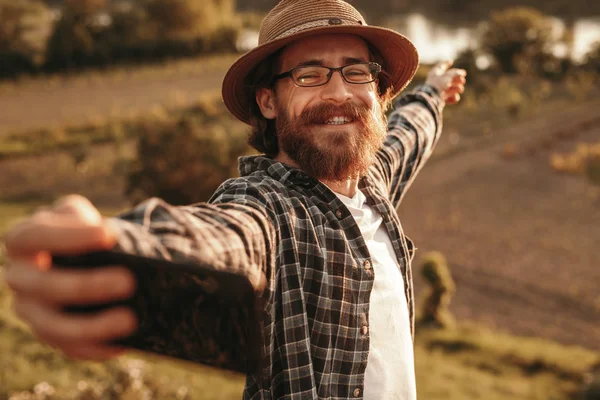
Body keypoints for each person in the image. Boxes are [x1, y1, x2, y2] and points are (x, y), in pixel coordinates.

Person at [2, 0, 466, 398]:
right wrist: (120, 249)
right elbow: (225, 234)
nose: (340, 92)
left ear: (378, 92)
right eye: (310, 75)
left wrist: (434, 92)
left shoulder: (374, 180)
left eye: (356, 72)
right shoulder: (271, 208)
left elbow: (409, 133)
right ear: (268, 101)